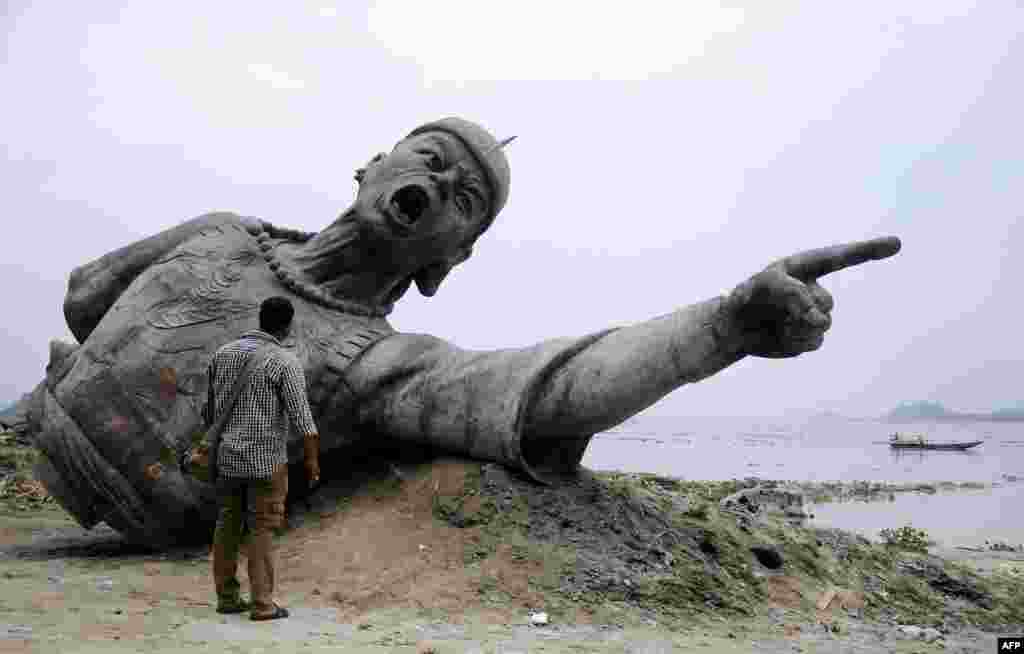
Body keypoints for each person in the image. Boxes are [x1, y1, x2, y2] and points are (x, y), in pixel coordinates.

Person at [24, 117, 902, 548]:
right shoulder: (219, 232)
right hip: (50, 428)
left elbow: (548, 387)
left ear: (453, 259)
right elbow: (85, 297)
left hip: (151, 517)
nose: (440, 184)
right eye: (430, 159)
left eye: (466, 199)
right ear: (375, 165)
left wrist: (726, 325)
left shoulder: (377, 365)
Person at [204, 296, 320, 621]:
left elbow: (210, 412)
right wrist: (312, 463)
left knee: (227, 524)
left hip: (227, 459)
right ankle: (262, 604)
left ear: (260, 318)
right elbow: (303, 420)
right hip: (266, 462)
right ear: (288, 325)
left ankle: (227, 598)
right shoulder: (284, 361)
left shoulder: (222, 354)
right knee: (261, 529)